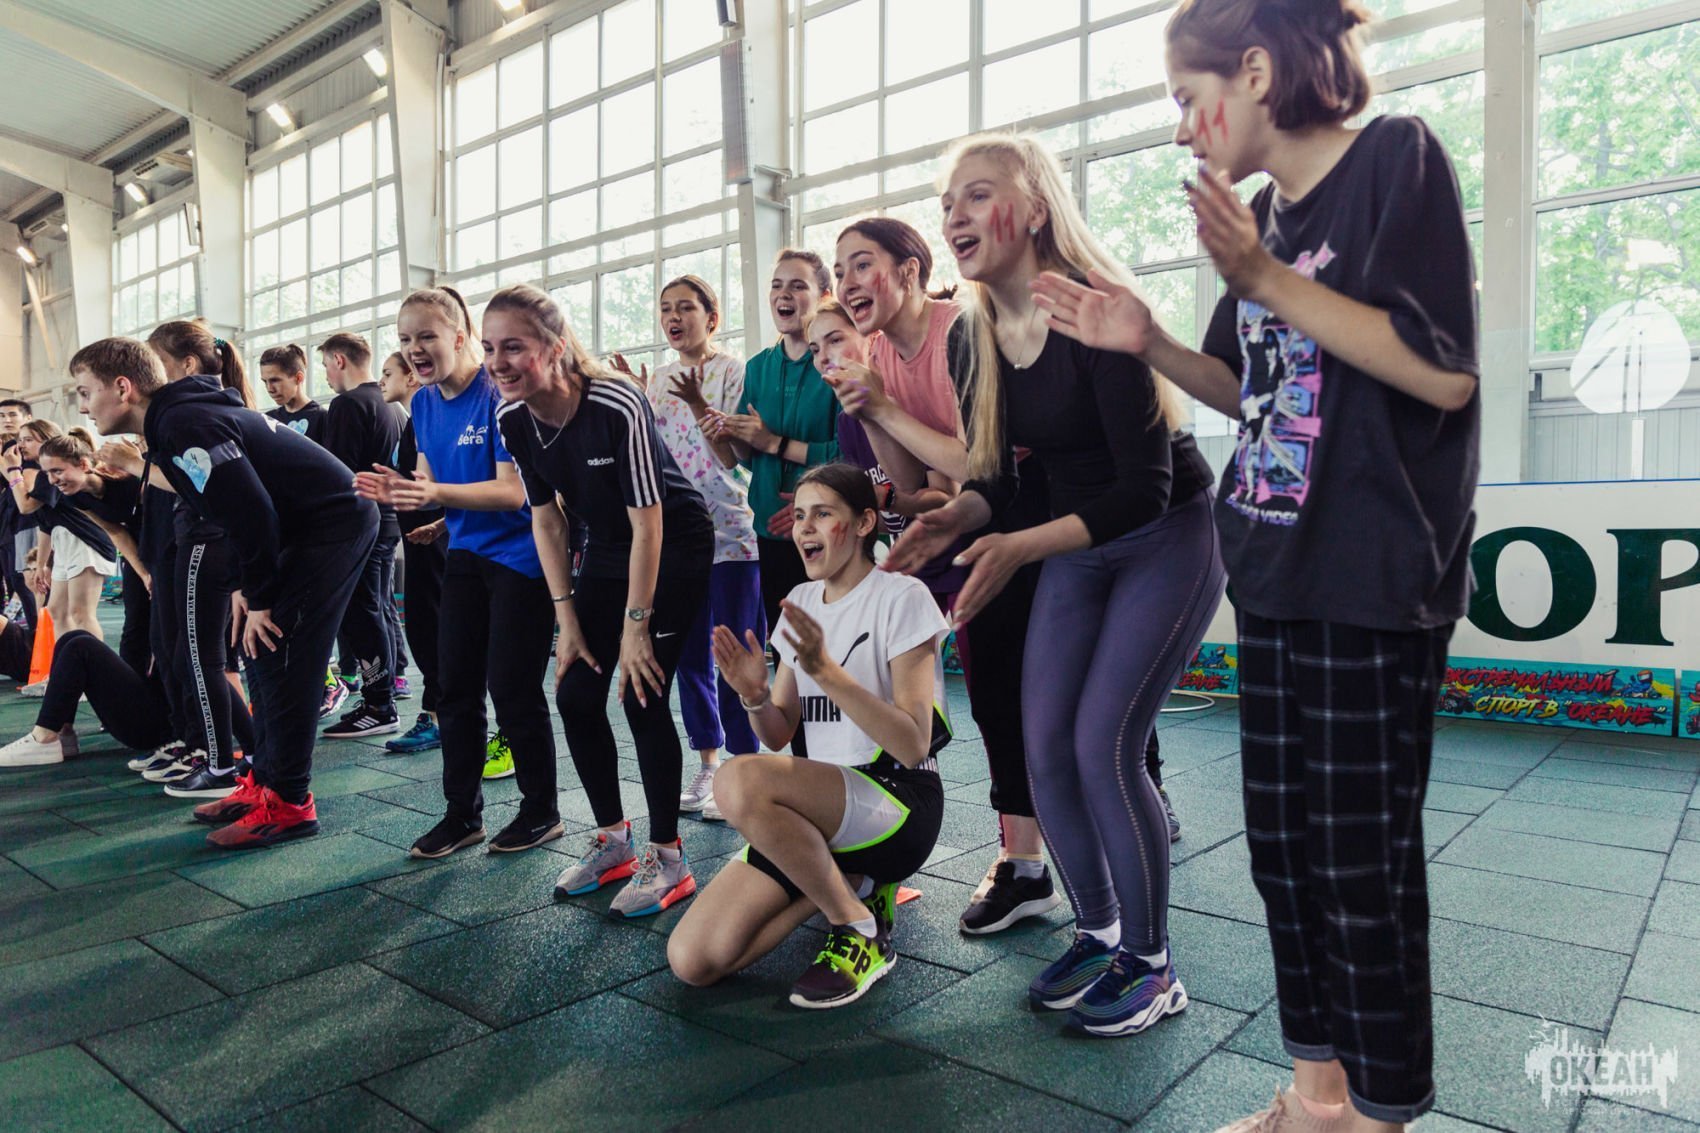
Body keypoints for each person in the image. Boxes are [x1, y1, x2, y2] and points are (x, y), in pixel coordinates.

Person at [1032, 0, 1479, 1121]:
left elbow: (1442, 374)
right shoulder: (1265, 219)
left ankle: (1376, 1112)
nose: (1184, 128)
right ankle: (1315, 1093)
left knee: (1359, 865)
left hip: (1374, 577)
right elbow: (1251, 389)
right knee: (1283, 854)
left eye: (1189, 100)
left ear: (1257, 72)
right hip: (1275, 568)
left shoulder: (1393, 159)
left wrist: (1263, 278)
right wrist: (1148, 342)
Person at [887, 132, 1224, 1037]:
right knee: (1044, 748)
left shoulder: (1093, 309)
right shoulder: (973, 334)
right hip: (1077, 541)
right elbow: (996, 478)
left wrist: (1018, 546)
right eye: (946, 201)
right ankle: (1099, 931)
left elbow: (1144, 487)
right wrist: (956, 518)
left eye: (977, 194)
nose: (954, 215)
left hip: (1165, 535)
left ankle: (1152, 964)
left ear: (1035, 207)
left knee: (1105, 744)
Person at [75, 334, 380, 848]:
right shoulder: (173, 421)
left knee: (284, 654)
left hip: (334, 524)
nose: (83, 407)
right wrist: (243, 586)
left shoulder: (183, 423)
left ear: (123, 388)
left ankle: (290, 804)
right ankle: (264, 782)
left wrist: (260, 598)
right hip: (301, 528)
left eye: (86, 392)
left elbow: (251, 513)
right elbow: (225, 508)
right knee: (256, 655)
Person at [668, 464, 948, 1009]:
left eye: (823, 514)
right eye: (799, 516)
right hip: (817, 812)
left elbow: (914, 744)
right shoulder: (799, 599)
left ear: (864, 522)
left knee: (736, 778)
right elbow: (777, 735)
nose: (805, 528)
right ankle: (853, 884)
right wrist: (754, 695)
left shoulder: (902, 597)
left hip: (898, 802)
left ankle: (857, 925)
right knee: (693, 960)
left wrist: (826, 672)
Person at [485, 283, 713, 916]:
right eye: (489, 348)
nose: (498, 362)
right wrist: (567, 619)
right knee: (576, 694)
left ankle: (670, 859)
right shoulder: (512, 418)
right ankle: (614, 841)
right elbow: (547, 519)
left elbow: (650, 521)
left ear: (556, 347)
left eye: (513, 347)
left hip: (674, 542)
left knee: (643, 693)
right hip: (608, 548)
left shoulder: (615, 400)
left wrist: (637, 626)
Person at [355, 286, 562, 859]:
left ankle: (541, 811)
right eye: (405, 339)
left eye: (427, 336)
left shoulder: (498, 395)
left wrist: (434, 496)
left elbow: (512, 491)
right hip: (467, 554)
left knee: (512, 689)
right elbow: (431, 479)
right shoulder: (422, 405)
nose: (415, 349)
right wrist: (417, 501)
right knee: (454, 689)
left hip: (522, 557)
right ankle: (461, 815)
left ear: (460, 336)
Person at [639, 274, 762, 824]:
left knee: (734, 651)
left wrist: (695, 403)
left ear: (711, 318)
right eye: (666, 308)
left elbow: (732, 452)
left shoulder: (735, 372)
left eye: (686, 307)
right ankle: (709, 763)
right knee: (690, 656)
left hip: (732, 531)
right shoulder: (658, 380)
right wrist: (639, 401)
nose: (674, 317)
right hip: (678, 537)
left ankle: (743, 764)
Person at [713, 250, 840, 638]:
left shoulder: (836, 364)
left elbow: (848, 456)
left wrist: (775, 443)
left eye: (798, 286)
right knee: (786, 647)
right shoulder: (758, 367)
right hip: (770, 531)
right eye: (776, 285)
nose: (783, 294)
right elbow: (749, 459)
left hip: (827, 529)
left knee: (830, 646)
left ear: (823, 296)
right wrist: (732, 436)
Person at [317, 331, 402, 738]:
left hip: (360, 524)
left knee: (363, 613)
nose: (326, 376)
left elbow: (338, 476)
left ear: (339, 360)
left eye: (325, 366)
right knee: (376, 609)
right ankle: (381, 698)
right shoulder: (390, 405)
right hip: (388, 521)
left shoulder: (348, 404)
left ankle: (379, 704)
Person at [35, 432, 152, 673]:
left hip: (164, 542)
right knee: (134, 625)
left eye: (57, 471)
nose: (52, 480)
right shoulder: (73, 496)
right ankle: (122, 685)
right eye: (47, 473)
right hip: (137, 548)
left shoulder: (123, 478)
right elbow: (115, 532)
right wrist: (143, 574)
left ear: (83, 464)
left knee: (162, 628)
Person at [378, 351, 447, 755]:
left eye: (388, 373)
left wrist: (438, 524)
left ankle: (438, 716)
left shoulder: (428, 416)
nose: (381, 381)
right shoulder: (412, 420)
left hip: (433, 540)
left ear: (411, 378)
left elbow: (434, 484)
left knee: (431, 626)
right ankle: (436, 713)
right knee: (423, 626)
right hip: (421, 537)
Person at [6, 421, 119, 645]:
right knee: (56, 611)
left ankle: (91, 663)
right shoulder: (46, 475)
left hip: (85, 542)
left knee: (81, 613)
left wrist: (12, 471)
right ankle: (66, 661)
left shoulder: (52, 473)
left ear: (47, 441)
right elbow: (46, 525)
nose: (21, 445)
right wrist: (41, 564)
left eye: (28, 439)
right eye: (20, 440)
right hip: (64, 542)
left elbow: (25, 507)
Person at [0, 625, 173, 768]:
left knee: (80, 648)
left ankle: (44, 737)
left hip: (164, 727)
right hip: (157, 706)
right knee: (71, 638)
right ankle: (61, 733)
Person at [0, 398, 39, 633]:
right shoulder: (6, 449)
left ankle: (37, 641)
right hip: (6, 524)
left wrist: (7, 465)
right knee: (13, 581)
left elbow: (27, 495)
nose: (6, 420)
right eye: (2, 416)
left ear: (27, 418)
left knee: (26, 584)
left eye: (12, 415)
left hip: (28, 526)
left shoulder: (33, 451)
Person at [259, 344, 327, 443]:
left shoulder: (322, 418)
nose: (269, 389)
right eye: (265, 381)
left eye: (275, 380)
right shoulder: (268, 420)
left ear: (298, 378)